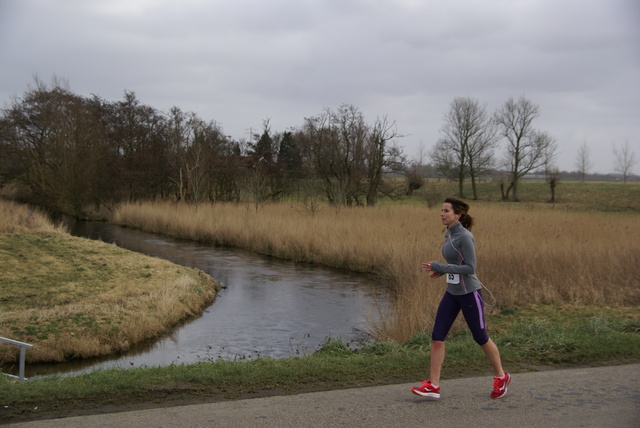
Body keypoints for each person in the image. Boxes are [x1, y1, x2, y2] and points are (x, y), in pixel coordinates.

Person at [411, 196, 511, 399]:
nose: (441, 213)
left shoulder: (465, 237)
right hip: (452, 292)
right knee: (437, 336)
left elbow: (470, 267)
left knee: (480, 336)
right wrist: (442, 272)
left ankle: (501, 377)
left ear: (458, 215)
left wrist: (441, 267)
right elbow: (456, 263)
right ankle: (434, 385)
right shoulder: (449, 234)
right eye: (441, 210)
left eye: (446, 211)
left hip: (469, 293)